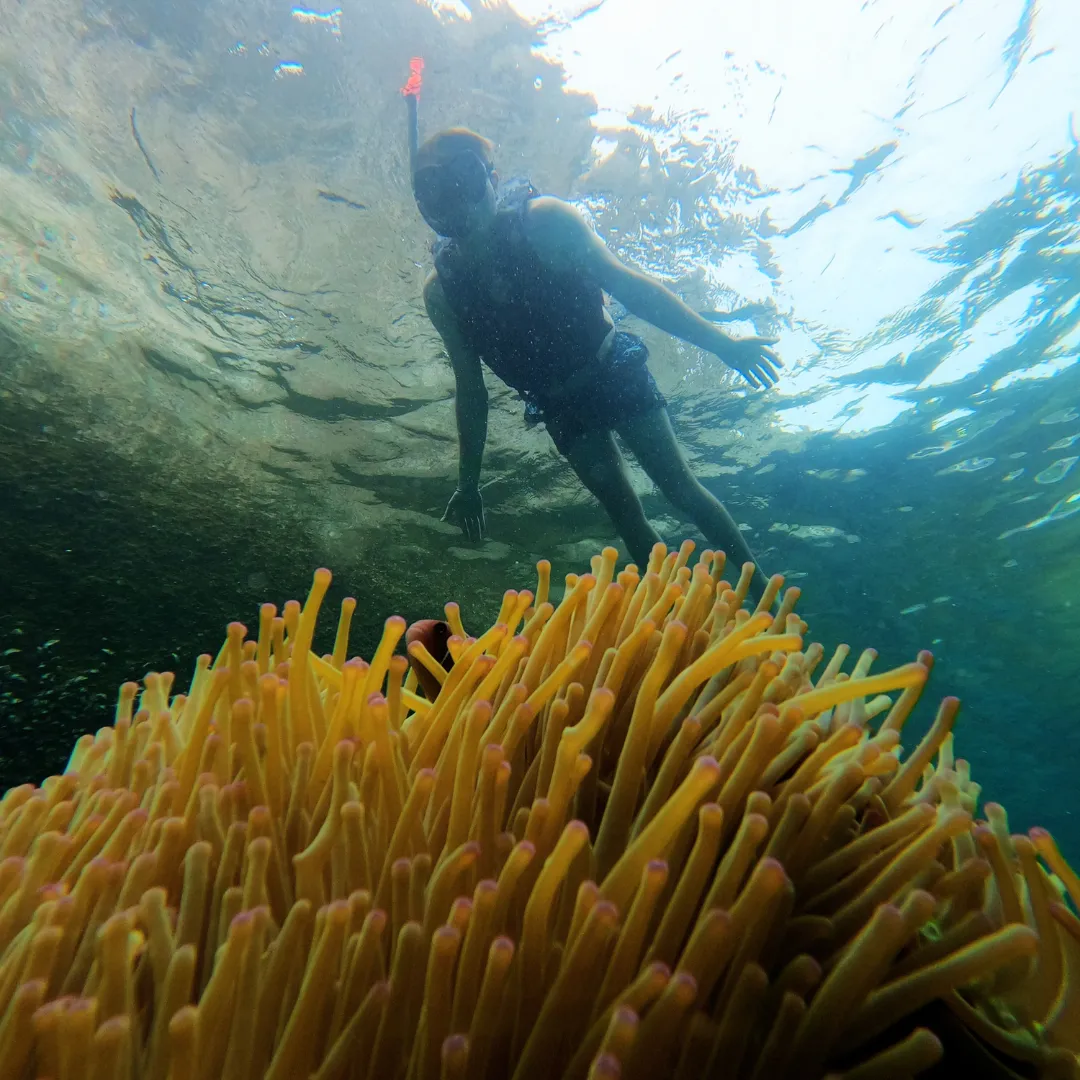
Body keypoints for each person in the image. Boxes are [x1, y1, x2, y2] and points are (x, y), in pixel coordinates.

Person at [412, 127, 781, 594]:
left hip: (611, 370)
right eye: (436, 187)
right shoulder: (443, 292)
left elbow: (631, 288)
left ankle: (766, 599)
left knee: (680, 489)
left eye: (465, 175)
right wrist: (468, 485)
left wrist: (724, 345)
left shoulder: (543, 222)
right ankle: (674, 625)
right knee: (625, 511)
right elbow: (471, 391)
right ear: (427, 204)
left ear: (492, 177)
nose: (458, 197)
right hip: (560, 406)